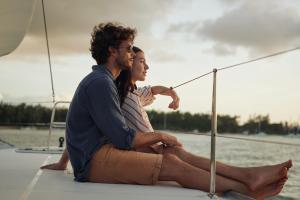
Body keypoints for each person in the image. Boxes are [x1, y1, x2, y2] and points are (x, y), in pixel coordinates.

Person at [41, 22, 293, 199]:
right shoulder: (100, 83)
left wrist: (65, 162)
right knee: (173, 165)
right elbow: (122, 138)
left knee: (173, 157)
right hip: (93, 162)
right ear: (111, 51)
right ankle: (248, 187)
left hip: (95, 156)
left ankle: (248, 178)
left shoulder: (103, 82)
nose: (131, 54)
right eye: (128, 49)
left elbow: (85, 129)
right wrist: (161, 135)